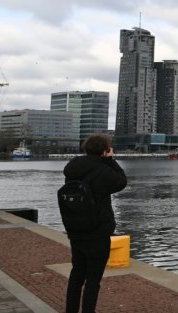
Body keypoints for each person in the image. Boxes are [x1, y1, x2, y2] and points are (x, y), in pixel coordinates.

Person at [63, 134, 127, 313]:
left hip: (76, 228)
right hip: (97, 230)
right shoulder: (103, 169)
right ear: (104, 150)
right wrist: (110, 160)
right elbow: (121, 182)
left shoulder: (73, 167)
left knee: (77, 274)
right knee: (93, 279)